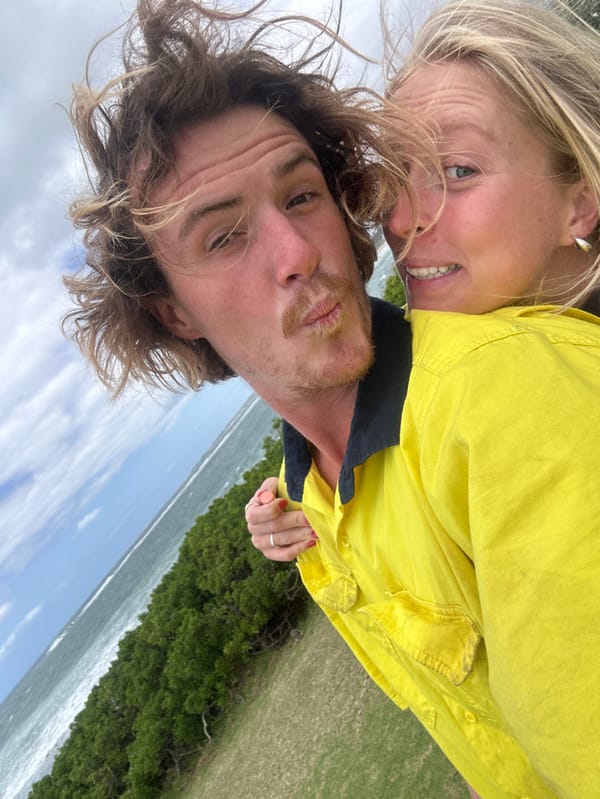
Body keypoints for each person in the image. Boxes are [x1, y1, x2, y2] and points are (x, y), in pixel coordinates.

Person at [63, 0, 600, 797]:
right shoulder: (313, 484)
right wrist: (290, 501)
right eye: (224, 235)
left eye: (302, 195)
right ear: (172, 311)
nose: (296, 254)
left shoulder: (504, 391)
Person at [242, 1, 600, 797]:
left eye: (459, 172)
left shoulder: (547, 395)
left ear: (581, 194)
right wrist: (292, 496)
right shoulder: (464, 385)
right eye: (395, 180)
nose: (404, 219)